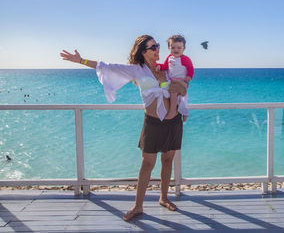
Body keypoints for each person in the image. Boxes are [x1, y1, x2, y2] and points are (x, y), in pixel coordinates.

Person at [60, 35, 188, 221]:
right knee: (147, 164)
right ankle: (138, 206)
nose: (157, 50)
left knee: (168, 160)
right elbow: (107, 67)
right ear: (143, 51)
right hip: (153, 122)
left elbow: (183, 84)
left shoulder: (168, 68)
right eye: (153, 47)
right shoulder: (137, 70)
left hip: (173, 120)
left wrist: (184, 107)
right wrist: (81, 60)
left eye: (158, 46)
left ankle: (164, 197)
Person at [157, 35, 194, 121]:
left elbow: (191, 70)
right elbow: (165, 66)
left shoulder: (185, 59)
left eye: (179, 47)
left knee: (173, 92)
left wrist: (186, 80)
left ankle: (172, 111)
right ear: (169, 48)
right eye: (173, 47)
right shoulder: (169, 58)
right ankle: (184, 113)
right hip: (172, 81)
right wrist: (158, 66)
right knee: (179, 98)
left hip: (182, 81)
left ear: (184, 48)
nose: (176, 50)